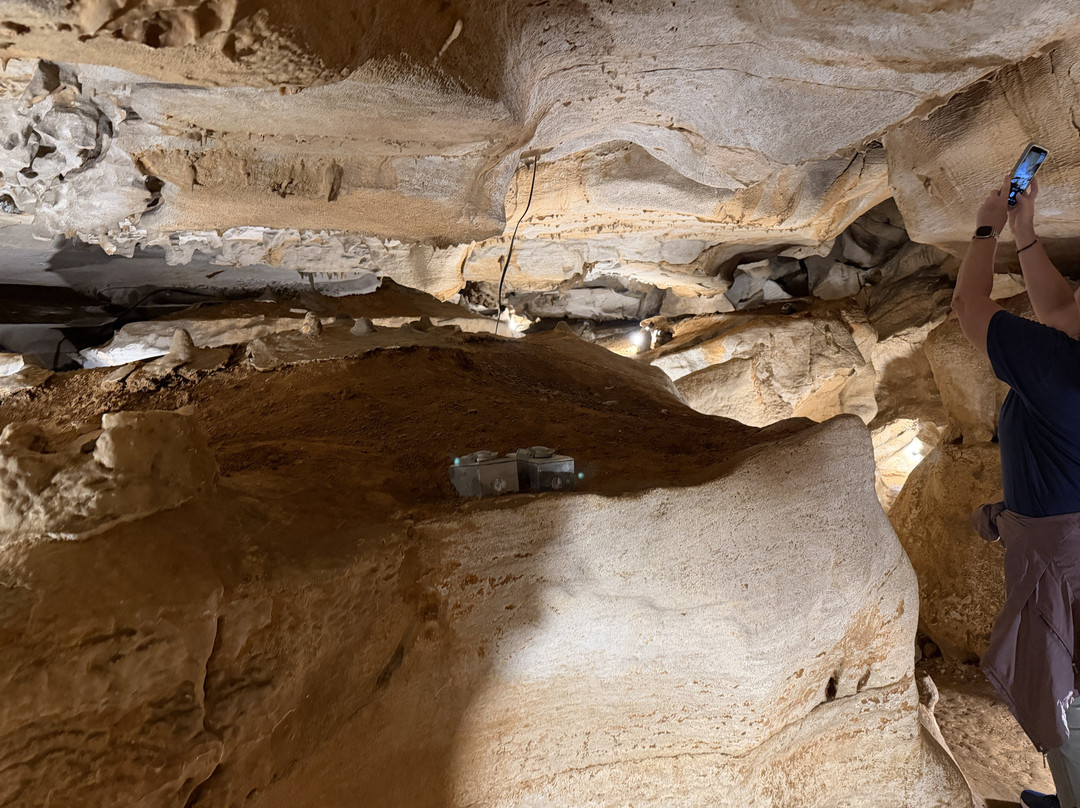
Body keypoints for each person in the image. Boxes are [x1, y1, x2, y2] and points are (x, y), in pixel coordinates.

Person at [952, 174, 1080, 808]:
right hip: (1065, 543)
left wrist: (986, 230)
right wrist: (1027, 234)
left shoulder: (1058, 369)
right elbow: (1061, 311)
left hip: (1064, 568)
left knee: (1066, 684)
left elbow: (969, 309)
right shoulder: (1067, 356)